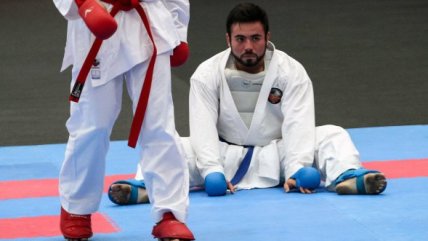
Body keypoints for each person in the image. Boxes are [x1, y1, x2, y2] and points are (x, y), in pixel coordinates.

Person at [108, 2, 387, 206]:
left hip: (278, 154)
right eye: (240, 39)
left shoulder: (291, 71)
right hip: (223, 155)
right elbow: (203, 127)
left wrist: (296, 168)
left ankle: (348, 176)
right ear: (228, 39)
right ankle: (148, 185)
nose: (248, 46)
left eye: (255, 38)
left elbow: (299, 123)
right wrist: (211, 170)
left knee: (332, 134)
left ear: (267, 37)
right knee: (171, 143)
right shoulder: (207, 74)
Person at [53, 0, 195, 240]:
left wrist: (179, 29)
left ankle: (169, 213)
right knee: (91, 125)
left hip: (150, 23)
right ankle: (76, 207)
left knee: (158, 124)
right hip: (97, 22)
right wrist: (83, 3)